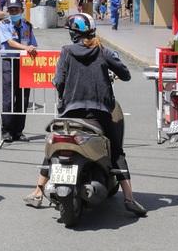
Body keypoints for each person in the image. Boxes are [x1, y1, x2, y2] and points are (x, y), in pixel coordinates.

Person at [23, 13, 147, 217]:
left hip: (70, 113)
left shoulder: (66, 51)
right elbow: (125, 74)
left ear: (73, 33)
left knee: (54, 149)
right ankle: (129, 198)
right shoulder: (103, 51)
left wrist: (64, 96)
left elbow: (59, 81)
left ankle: (38, 191)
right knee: (117, 153)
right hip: (98, 114)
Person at [0, 0, 38, 142]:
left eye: (16, 10)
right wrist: (26, 48)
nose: (13, 12)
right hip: (9, 62)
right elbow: (9, 42)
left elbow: (33, 44)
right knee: (8, 98)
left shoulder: (28, 26)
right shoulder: (4, 24)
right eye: (11, 10)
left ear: (22, 11)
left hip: (24, 63)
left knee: (23, 98)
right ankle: (7, 130)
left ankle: (18, 131)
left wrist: (31, 49)